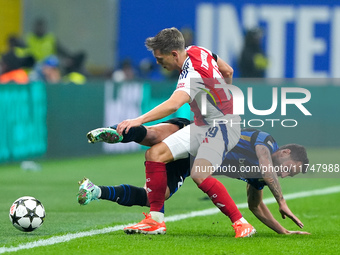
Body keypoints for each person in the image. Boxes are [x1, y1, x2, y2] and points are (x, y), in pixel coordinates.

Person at [113, 27, 255, 236]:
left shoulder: (192, 74)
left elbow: (172, 105)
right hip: (203, 125)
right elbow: (228, 71)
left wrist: (138, 120)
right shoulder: (197, 50)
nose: (158, 63)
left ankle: (242, 223)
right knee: (154, 154)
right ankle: (156, 221)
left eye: (160, 59)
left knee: (199, 174)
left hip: (224, 127)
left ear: (174, 54)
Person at [78, 119, 310, 235]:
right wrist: (281, 201)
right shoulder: (267, 142)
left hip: (191, 161)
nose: (286, 174)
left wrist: (284, 231)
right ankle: (119, 134)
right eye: (291, 168)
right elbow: (266, 164)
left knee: (154, 197)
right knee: (154, 137)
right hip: (197, 134)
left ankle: (95, 190)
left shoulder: (259, 176)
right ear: (285, 152)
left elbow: (256, 205)